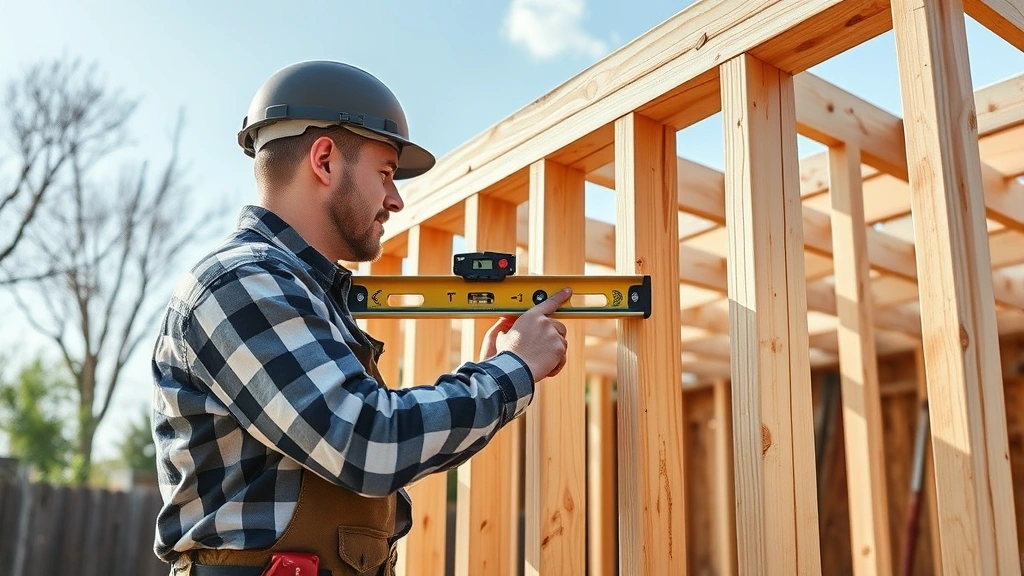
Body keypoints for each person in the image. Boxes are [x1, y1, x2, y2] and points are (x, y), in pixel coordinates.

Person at [150, 60, 571, 576]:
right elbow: (368, 442)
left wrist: (490, 378)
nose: (395, 200)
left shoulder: (305, 296)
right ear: (324, 160)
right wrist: (513, 370)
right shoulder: (238, 284)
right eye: (386, 174)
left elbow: (375, 444)